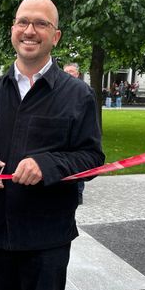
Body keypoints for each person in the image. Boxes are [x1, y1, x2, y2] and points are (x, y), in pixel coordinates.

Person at [0, 0, 105, 290]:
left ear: (55, 36)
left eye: (41, 23)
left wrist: (47, 165)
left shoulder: (77, 95)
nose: (30, 30)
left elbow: (92, 157)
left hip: (47, 237)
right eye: (23, 21)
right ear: (13, 29)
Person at [63, 63, 85, 205]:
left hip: (77, 136)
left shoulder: (82, 91)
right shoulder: (58, 89)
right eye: (66, 71)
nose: (69, 74)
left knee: (78, 164)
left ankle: (78, 192)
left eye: (72, 71)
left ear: (77, 74)